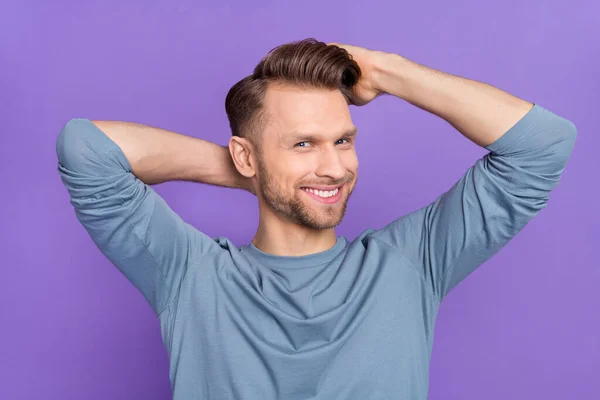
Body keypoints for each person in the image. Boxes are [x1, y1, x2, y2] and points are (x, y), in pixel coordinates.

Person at [56, 38, 577, 399]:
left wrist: (385, 71)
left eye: (343, 141)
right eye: (304, 144)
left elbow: (543, 144)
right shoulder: (189, 274)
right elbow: (86, 150)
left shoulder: (410, 263)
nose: (334, 167)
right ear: (246, 155)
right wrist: (255, 173)